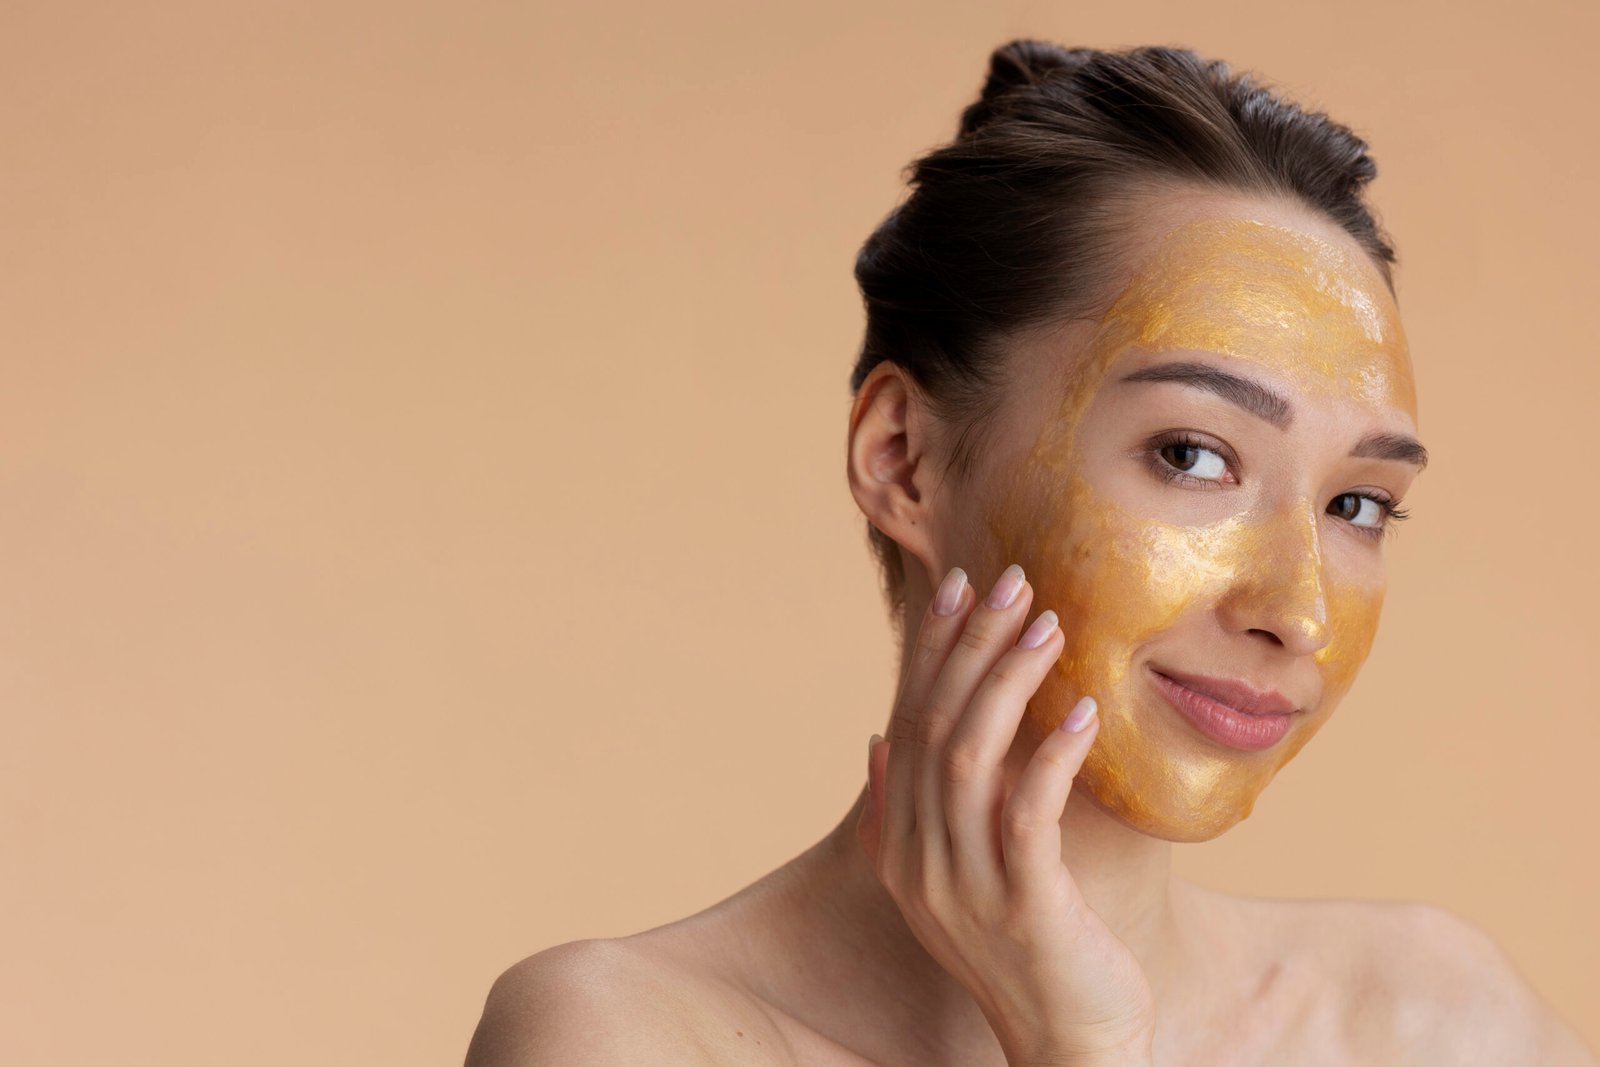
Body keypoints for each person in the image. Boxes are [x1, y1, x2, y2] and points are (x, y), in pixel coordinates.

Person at [466, 40, 1595, 1066]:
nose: (1295, 611)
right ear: (903, 458)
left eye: (1358, 502)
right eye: (1195, 455)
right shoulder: (621, 1036)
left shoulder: (1433, 1023)